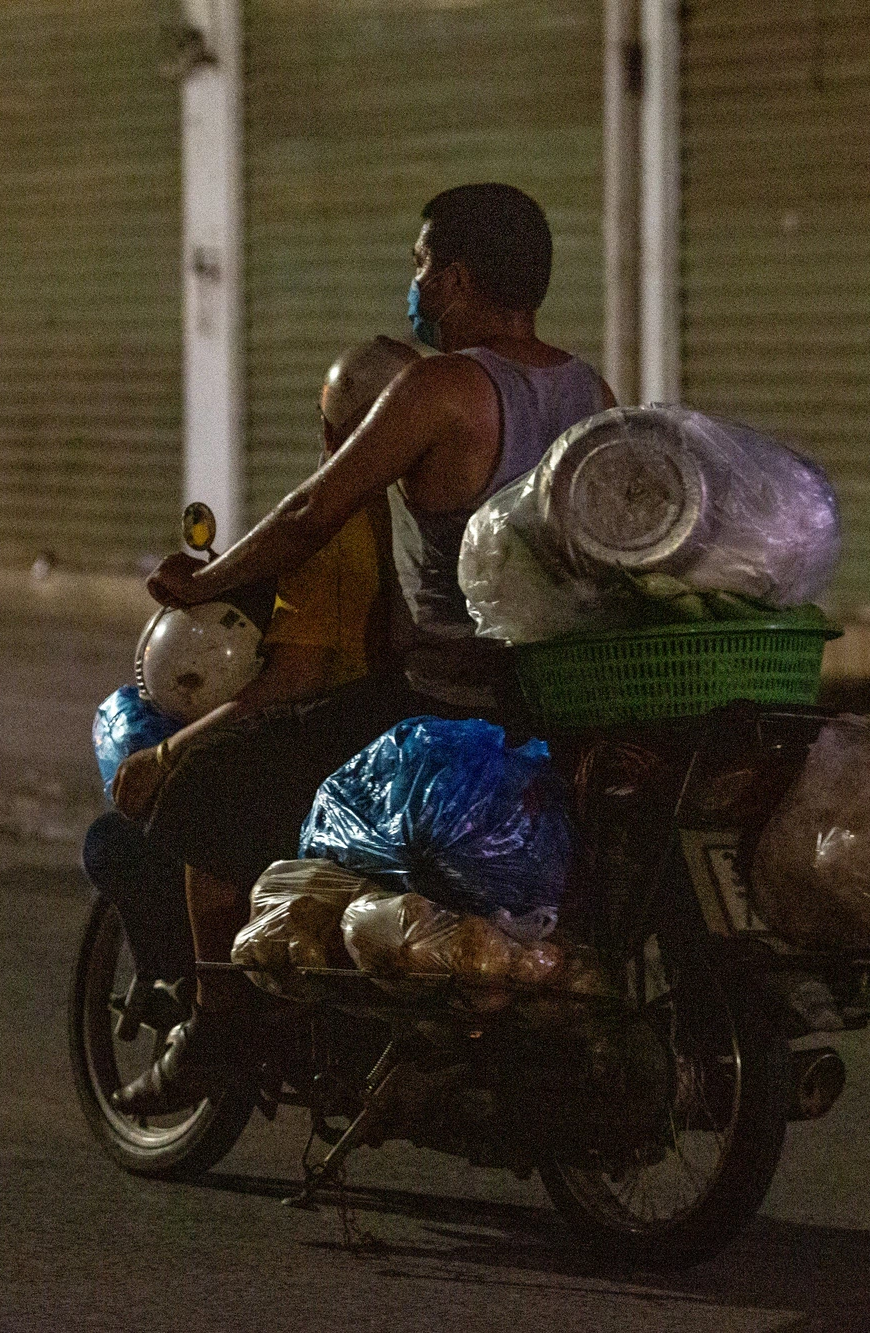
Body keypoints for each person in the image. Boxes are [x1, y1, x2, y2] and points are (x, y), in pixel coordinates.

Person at [90, 182, 614, 1115]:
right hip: (549, 697)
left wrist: (201, 584)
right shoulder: (587, 390)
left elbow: (310, 509)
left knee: (205, 791)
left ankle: (220, 1029)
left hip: (445, 703)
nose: (415, 287)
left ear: (454, 278)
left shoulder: (442, 389)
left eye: (420, 268)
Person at [88, 337, 419, 1006]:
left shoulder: (335, 518)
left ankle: (215, 1015)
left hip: (339, 741)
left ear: (332, 430)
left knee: (184, 799)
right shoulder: (411, 514)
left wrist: (165, 752)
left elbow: (293, 680)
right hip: (398, 730)